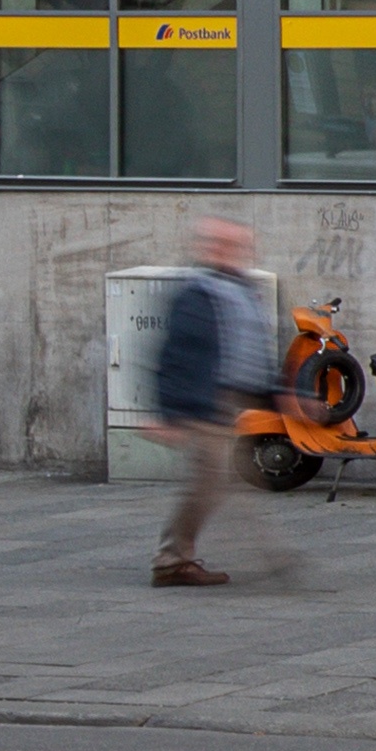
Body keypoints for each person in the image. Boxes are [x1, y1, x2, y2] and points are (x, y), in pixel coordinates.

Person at [147, 210, 288, 589]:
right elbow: (174, 356)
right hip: (203, 402)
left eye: (235, 244)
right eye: (218, 243)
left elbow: (253, 351)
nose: (227, 250)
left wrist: (277, 398)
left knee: (226, 481)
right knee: (211, 482)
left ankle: (269, 555)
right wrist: (169, 413)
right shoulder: (197, 294)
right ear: (205, 247)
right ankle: (172, 560)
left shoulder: (241, 290)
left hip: (233, 400)